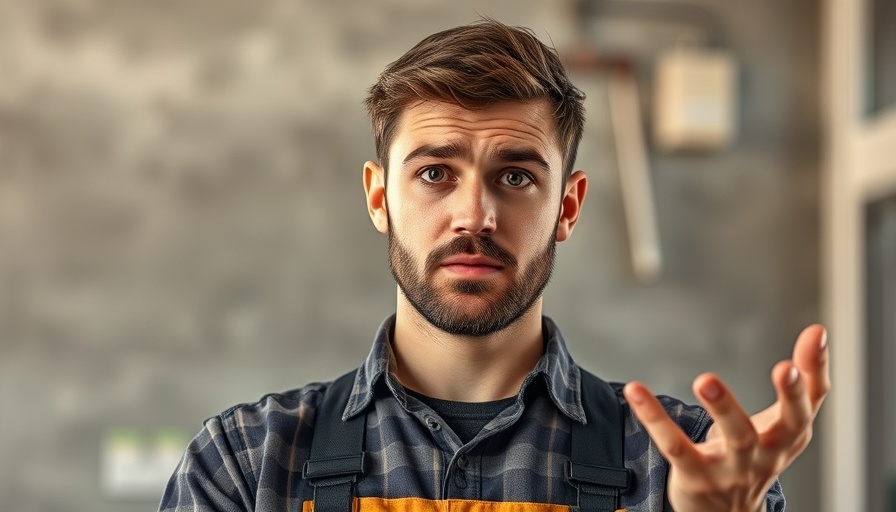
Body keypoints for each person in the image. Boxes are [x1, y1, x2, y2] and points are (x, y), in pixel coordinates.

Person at [159, 19, 829, 512]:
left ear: (567, 207)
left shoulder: (688, 467)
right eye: (434, 173)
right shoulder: (247, 466)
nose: (474, 214)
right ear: (377, 196)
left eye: (514, 175)